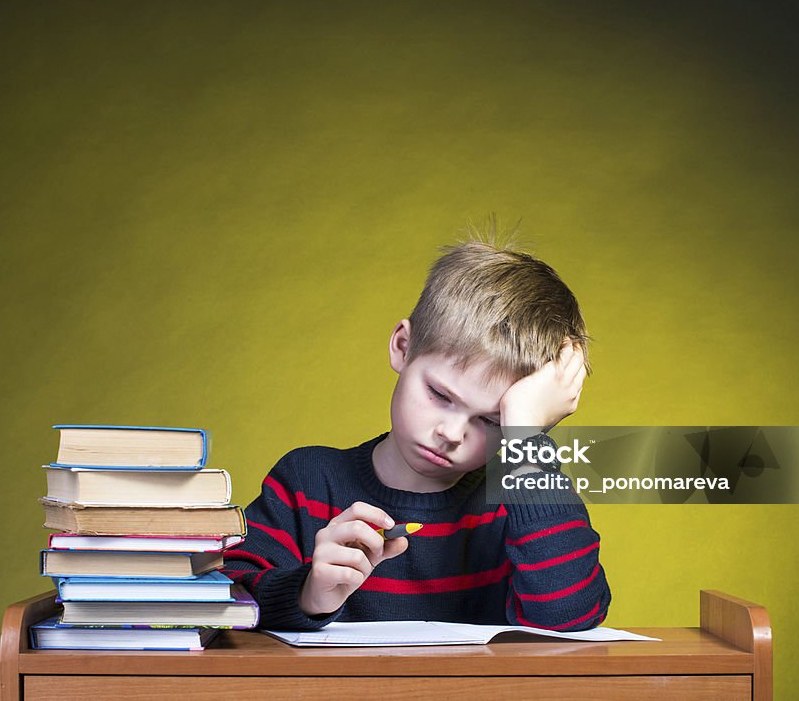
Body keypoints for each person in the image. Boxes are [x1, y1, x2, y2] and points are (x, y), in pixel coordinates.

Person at [222, 236, 611, 631]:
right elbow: (222, 600)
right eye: (441, 395)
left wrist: (526, 439)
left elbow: (571, 618)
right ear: (403, 346)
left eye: (493, 421)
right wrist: (307, 594)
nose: (452, 433)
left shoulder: (518, 502)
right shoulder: (306, 480)